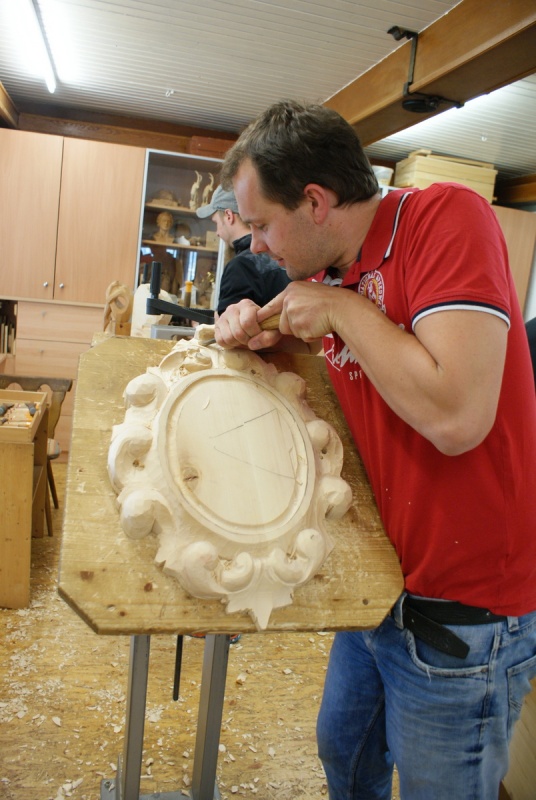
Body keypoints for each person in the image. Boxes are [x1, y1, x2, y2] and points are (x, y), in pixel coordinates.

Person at [213, 100, 536, 799]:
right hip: (380, 585)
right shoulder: (336, 272)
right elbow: (363, 373)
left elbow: (457, 415)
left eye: (262, 225)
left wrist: (339, 311)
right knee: (345, 755)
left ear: (315, 201)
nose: (256, 246)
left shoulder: (445, 218)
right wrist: (262, 335)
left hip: (461, 608)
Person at [196, 183, 290, 314]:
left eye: (216, 223)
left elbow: (228, 325)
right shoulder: (282, 257)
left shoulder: (241, 266)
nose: (217, 233)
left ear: (229, 216)